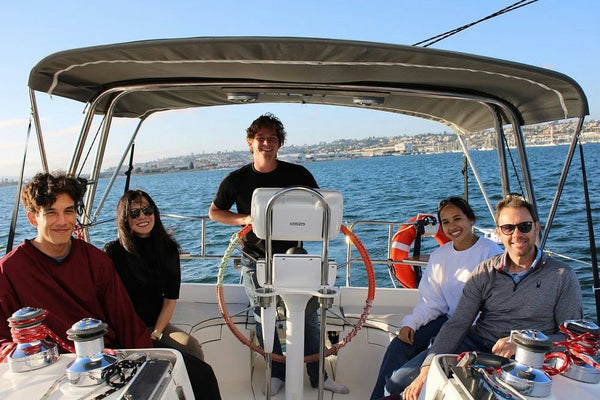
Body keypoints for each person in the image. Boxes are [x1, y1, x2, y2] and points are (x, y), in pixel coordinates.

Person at [385, 194, 584, 400]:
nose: (516, 234)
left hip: (527, 360)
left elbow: (572, 340)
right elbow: (458, 323)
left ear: (536, 227)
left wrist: (522, 345)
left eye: (524, 226)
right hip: (477, 344)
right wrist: (427, 368)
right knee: (399, 381)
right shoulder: (485, 271)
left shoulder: (562, 276)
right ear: (499, 232)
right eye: (508, 228)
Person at [208, 113, 349, 395]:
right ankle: (276, 374)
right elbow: (215, 212)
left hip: (296, 257)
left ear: (279, 143)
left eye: (273, 138)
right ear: (250, 142)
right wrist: (244, 219)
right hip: (255, 259)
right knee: (265, 316)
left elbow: (322, 208)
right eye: (261, 138)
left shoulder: (298, 174)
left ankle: (317, 374)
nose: (266, 143)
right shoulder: (235, 180)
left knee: (309, 318)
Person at [0, 172, 152, 352]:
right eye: (51, 212)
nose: (62, 221)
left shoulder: (96, 261)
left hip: (105, 358)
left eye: (69, 211)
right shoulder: (10, 270)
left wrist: (146, 362)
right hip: (44, 367)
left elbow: (127, 323)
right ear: (33, 218)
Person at [370, 196, 503, 399]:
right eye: (446, 222)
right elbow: (433, 301)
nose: (452, 226)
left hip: (471, 329)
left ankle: (390, 392)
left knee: (398, 380)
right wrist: (411, 324)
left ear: (470, 219)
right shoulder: (440, 256)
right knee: (398, 345)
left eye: (457, 218)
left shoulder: (490, 253)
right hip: (447, 319)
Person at [103, 190, 220, 400]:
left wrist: (155, 333)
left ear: (155, 213)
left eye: (147, 210)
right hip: (123, 327)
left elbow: (170, 299)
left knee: (191, 348)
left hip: (154, 325)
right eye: (134, 213)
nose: (142, 217)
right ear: (125, 219)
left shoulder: (168, 250)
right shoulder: (113, 252)